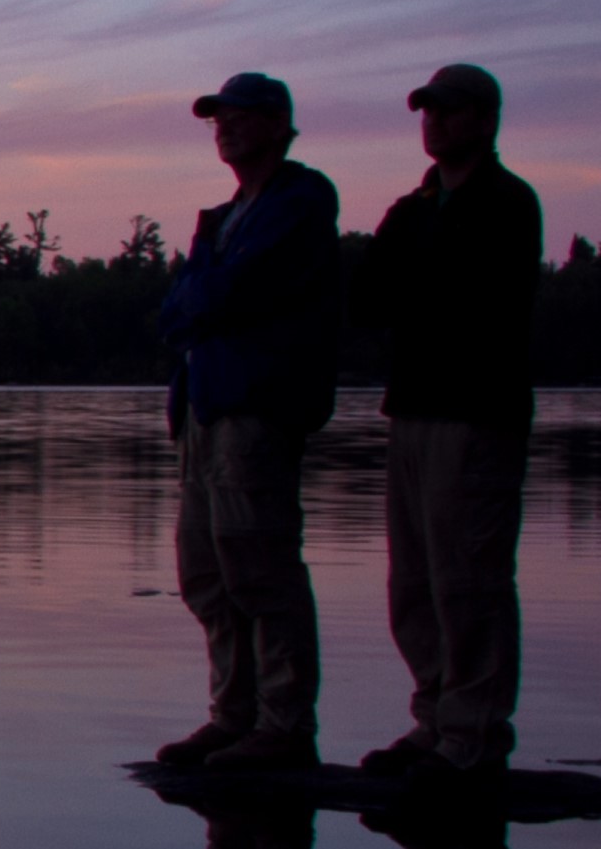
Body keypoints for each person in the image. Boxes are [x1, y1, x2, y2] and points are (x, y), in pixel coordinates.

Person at [350, 64, 542, 787]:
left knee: (471, 575)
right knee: (416, 579)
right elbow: (369, 296)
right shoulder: (415, 206)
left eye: (448, 111)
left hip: (479, 412)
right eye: (427, 111)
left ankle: (475, 732)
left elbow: (475, 296)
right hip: (414, 409)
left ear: (484, 120)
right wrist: (419, 279)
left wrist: (417, 282)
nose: (433, 122)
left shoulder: (507, 201)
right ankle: (433, 717)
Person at [153, 72, 342, 772]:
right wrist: (202, 301)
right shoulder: (222, 217)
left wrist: (203, 300)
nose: (224, 127)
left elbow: (234, 291)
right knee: (205, 572)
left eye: (238, 116)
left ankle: (285, 726)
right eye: (217, 119)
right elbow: (175, 313)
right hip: (204, 409)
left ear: (276, 125)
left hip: (258, 409)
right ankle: (233, 717)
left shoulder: (301, 201)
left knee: (261, 566)